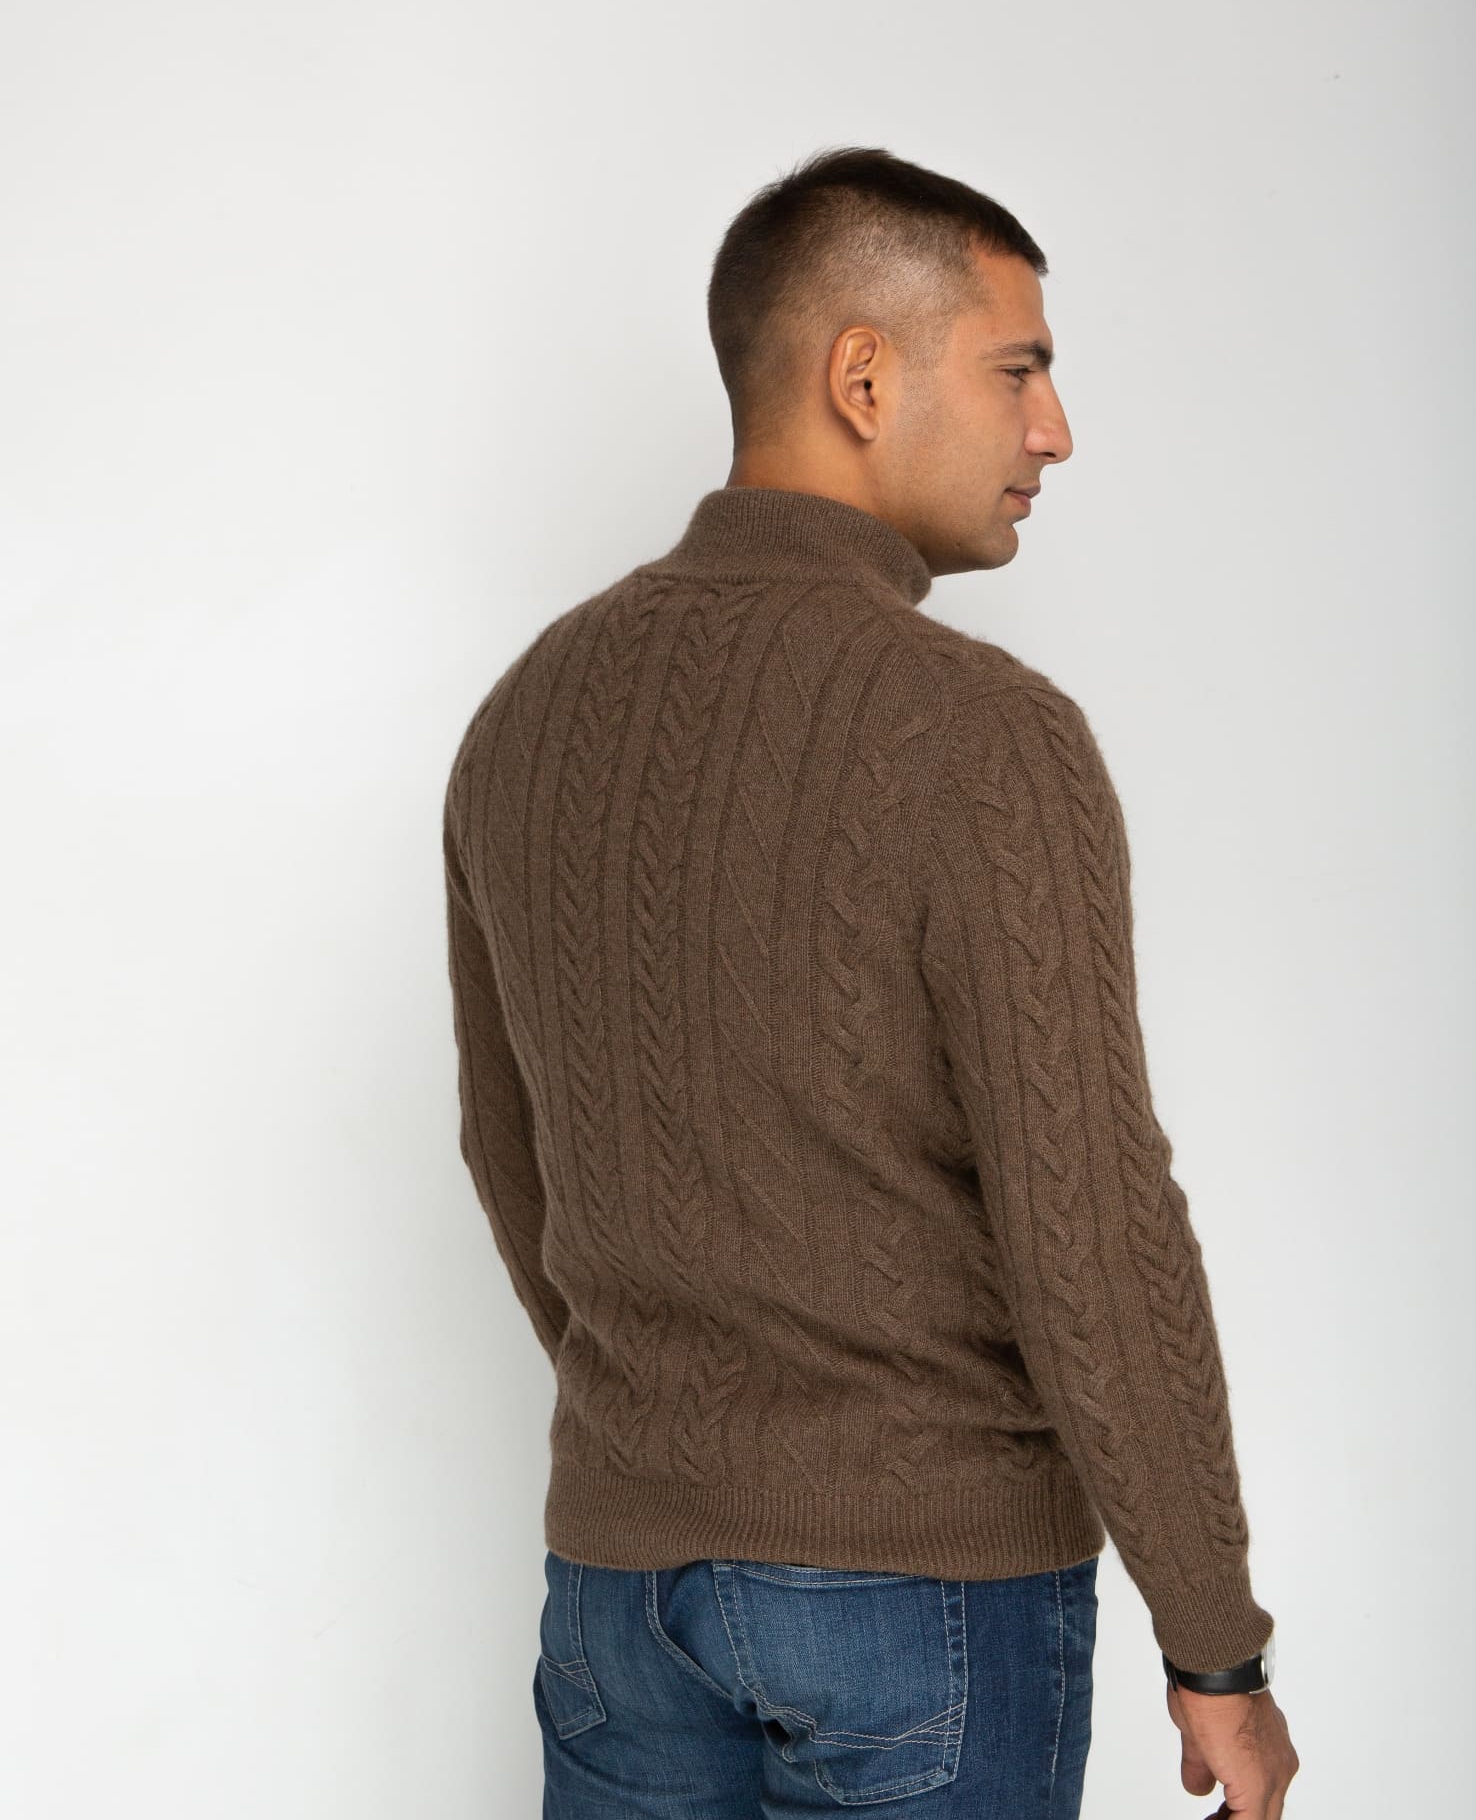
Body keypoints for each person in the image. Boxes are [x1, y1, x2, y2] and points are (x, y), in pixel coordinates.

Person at [442, 145, 1300, 1817]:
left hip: (619, 1596)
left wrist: (671, 1435)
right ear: (861, 376)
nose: (1054, 430)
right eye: (1019, 369)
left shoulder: (528, 715)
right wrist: (1218, 1649)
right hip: (925, 1601)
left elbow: (507, 1152)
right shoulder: (984, 736)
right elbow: (1092, 1222)